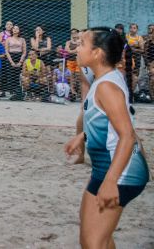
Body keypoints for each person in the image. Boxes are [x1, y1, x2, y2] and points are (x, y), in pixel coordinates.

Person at [64, 27, 149, 248]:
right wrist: (83, 136)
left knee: (94, 243)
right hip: (106, 167)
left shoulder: (107, 86)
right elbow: (108, 121)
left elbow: (127, 136)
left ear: (97, 53)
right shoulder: (104, 79)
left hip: (121, 172)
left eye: (82, 44)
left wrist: (111, 182)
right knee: (94, 238)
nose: (76, 48)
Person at [4, 25, 26, 101]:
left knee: (17, 76)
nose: (15, 30)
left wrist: (20, 62)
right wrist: (11, 62)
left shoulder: (22, 39)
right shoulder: (8, 39)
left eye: (17, 28)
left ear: (19, 30)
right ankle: (13, 93)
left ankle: (18, 93)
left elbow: (24, 52)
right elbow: (6, 51)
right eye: (14, 28)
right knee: (11, 76)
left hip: (19, 57)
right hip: (10, 57)